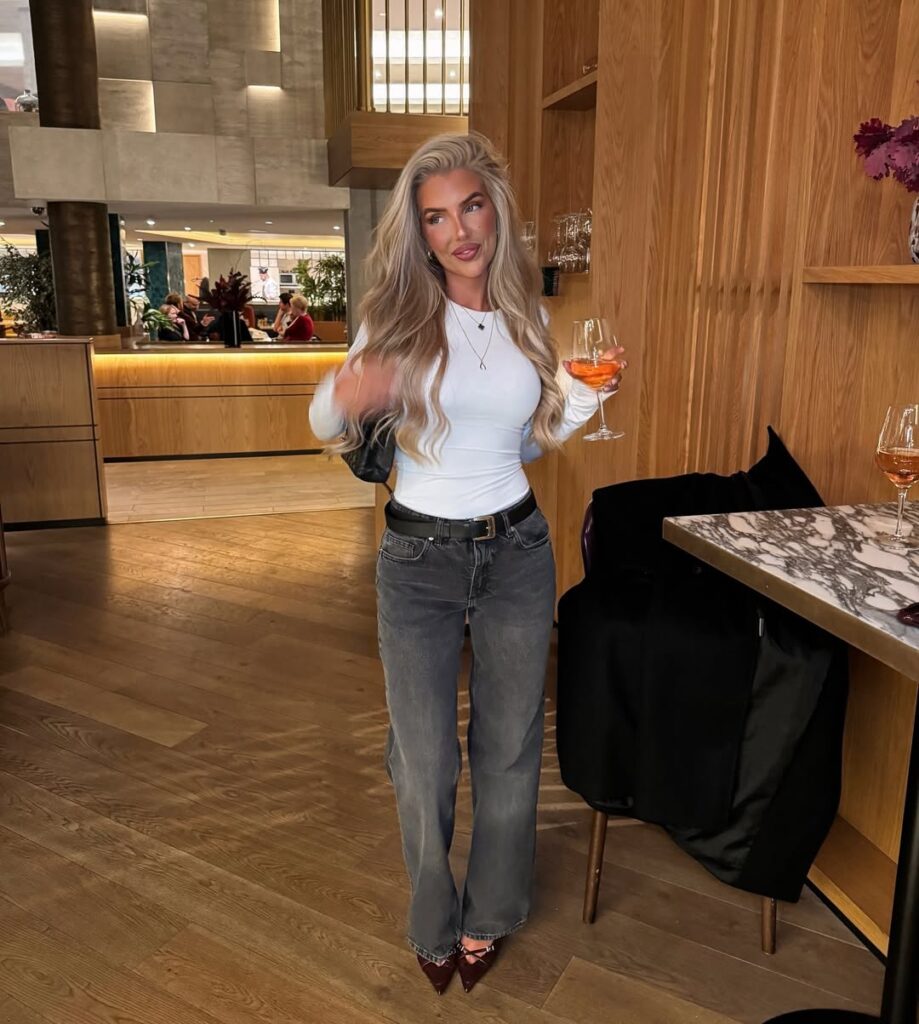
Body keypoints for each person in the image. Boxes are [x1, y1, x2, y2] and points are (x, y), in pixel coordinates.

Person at [309, 133, 623, 995]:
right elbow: (324, 420)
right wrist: (345, 392)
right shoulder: (398, 318)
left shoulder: (528, 317)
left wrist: (583, 398)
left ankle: (491, 911)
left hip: (517, 547)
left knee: (512, 745)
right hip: (418, 556)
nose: (459, 231)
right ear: (419, 231)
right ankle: (431, 914)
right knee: (421, 756)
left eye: (470, 207)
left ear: (495, 209)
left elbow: (526, 441)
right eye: (436, 217)